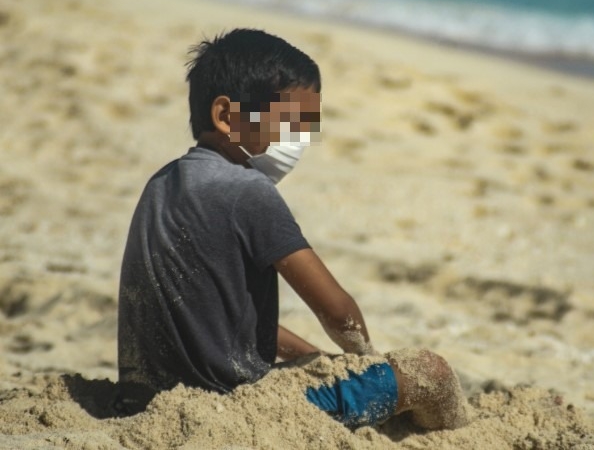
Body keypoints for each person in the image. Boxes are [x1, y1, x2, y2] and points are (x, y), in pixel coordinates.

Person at [117, 28, 468, 429]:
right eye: (290, 124)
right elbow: (338, 311)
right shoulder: (247, 191)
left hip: (146, 404)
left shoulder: (161, 185)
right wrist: (362, 359)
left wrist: (314, 357)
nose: (299, 140)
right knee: (429, 371)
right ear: (227, 116)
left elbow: (219, 322)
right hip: (232, 414)